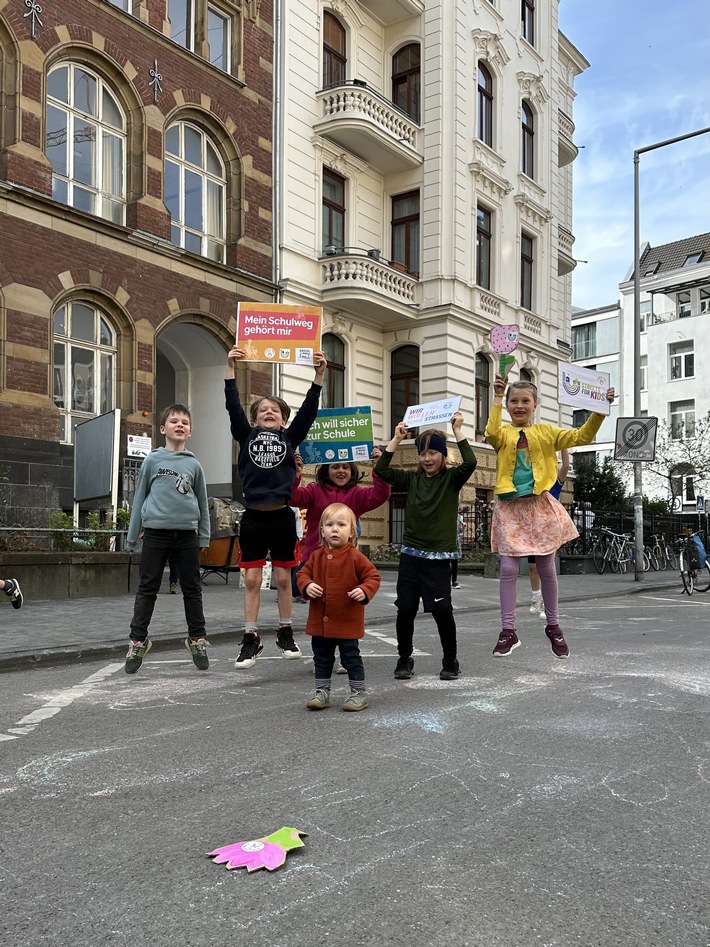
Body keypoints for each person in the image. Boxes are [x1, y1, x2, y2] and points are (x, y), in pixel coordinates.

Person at [485, 376, 615, 660]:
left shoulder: (546, 431)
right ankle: (508, 631)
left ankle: (553, 625)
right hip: (510, 507)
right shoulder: (504, 434)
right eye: (513, 401)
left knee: (546, 565)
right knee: (507, 568)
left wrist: (599, 412)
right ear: (507, 405)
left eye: (525, 401)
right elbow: (491, 433)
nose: (519, 406)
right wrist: (495, 398)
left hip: (538, 505)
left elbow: (582, 436)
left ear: (535, 405)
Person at [225, 345, 327, 669]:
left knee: (284, 580)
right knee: (253, 581)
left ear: (284, 421)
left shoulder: (289, 439)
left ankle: (286, 632)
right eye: (263, 410)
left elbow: (308, 412)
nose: (269, 413)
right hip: (254, 517)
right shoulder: (246, 435)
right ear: (254, 419)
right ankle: (250, 639)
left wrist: (319, 375)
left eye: (276, 411)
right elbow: (232, 409)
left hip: (282, 517)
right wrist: (230, 369)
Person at [374, 413, 476, 681]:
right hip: (411, 557)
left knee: (442, 611)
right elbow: (381, 471)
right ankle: (404, 658)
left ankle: (450, 660)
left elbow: (472, 462)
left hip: (439, 559)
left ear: (443, 455)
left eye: (433, 453)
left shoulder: (452, 480)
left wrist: (458, 431)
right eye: (423, 453)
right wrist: (396, 438)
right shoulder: (411, 480)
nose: (427, 458)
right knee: (405, 609)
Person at [124, 404, 211, 674]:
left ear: (190, 430)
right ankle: (138, 641)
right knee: (147, 587)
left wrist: (205, 536)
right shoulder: (152, 460)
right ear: (163, 429)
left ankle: (196, 639)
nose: (180, 425)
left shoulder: (194, 464)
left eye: (185, 422)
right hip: (155, 533)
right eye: (174, 421)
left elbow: (202, 501)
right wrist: (132, 534)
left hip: (187, 534)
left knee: (192, 589)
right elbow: (139, 497)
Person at [297, 503, 381, 711]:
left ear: (351, 531)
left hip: (346, 621)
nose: (335, 529)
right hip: (320, 622)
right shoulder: (316, 556)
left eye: (341, 525)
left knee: (351, 658)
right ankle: (322, 692)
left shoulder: (355, 556)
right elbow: (301, 575)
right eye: (330, 525)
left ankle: (358, 693)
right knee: (322, 658)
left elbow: (373, 577)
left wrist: (364, 590)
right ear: (322, 532)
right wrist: (307, 586)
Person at [528, 449, 569, 618]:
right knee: (532, 567)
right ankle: (536, 596)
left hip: (549, 532)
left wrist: (564, 446)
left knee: (547, 569)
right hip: (533, 530)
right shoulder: (533, 485)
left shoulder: (555, 485)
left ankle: (547, 605)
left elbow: (565, 465)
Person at [450, 513, 464, 588]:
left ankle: (454, 581)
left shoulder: (459, 517)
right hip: (447, 541)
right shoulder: (446, 515)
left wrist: (463, 527)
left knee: (454, 562)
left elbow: (460, 531)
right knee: (445, 563)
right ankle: (445, 581)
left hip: (456, 541)